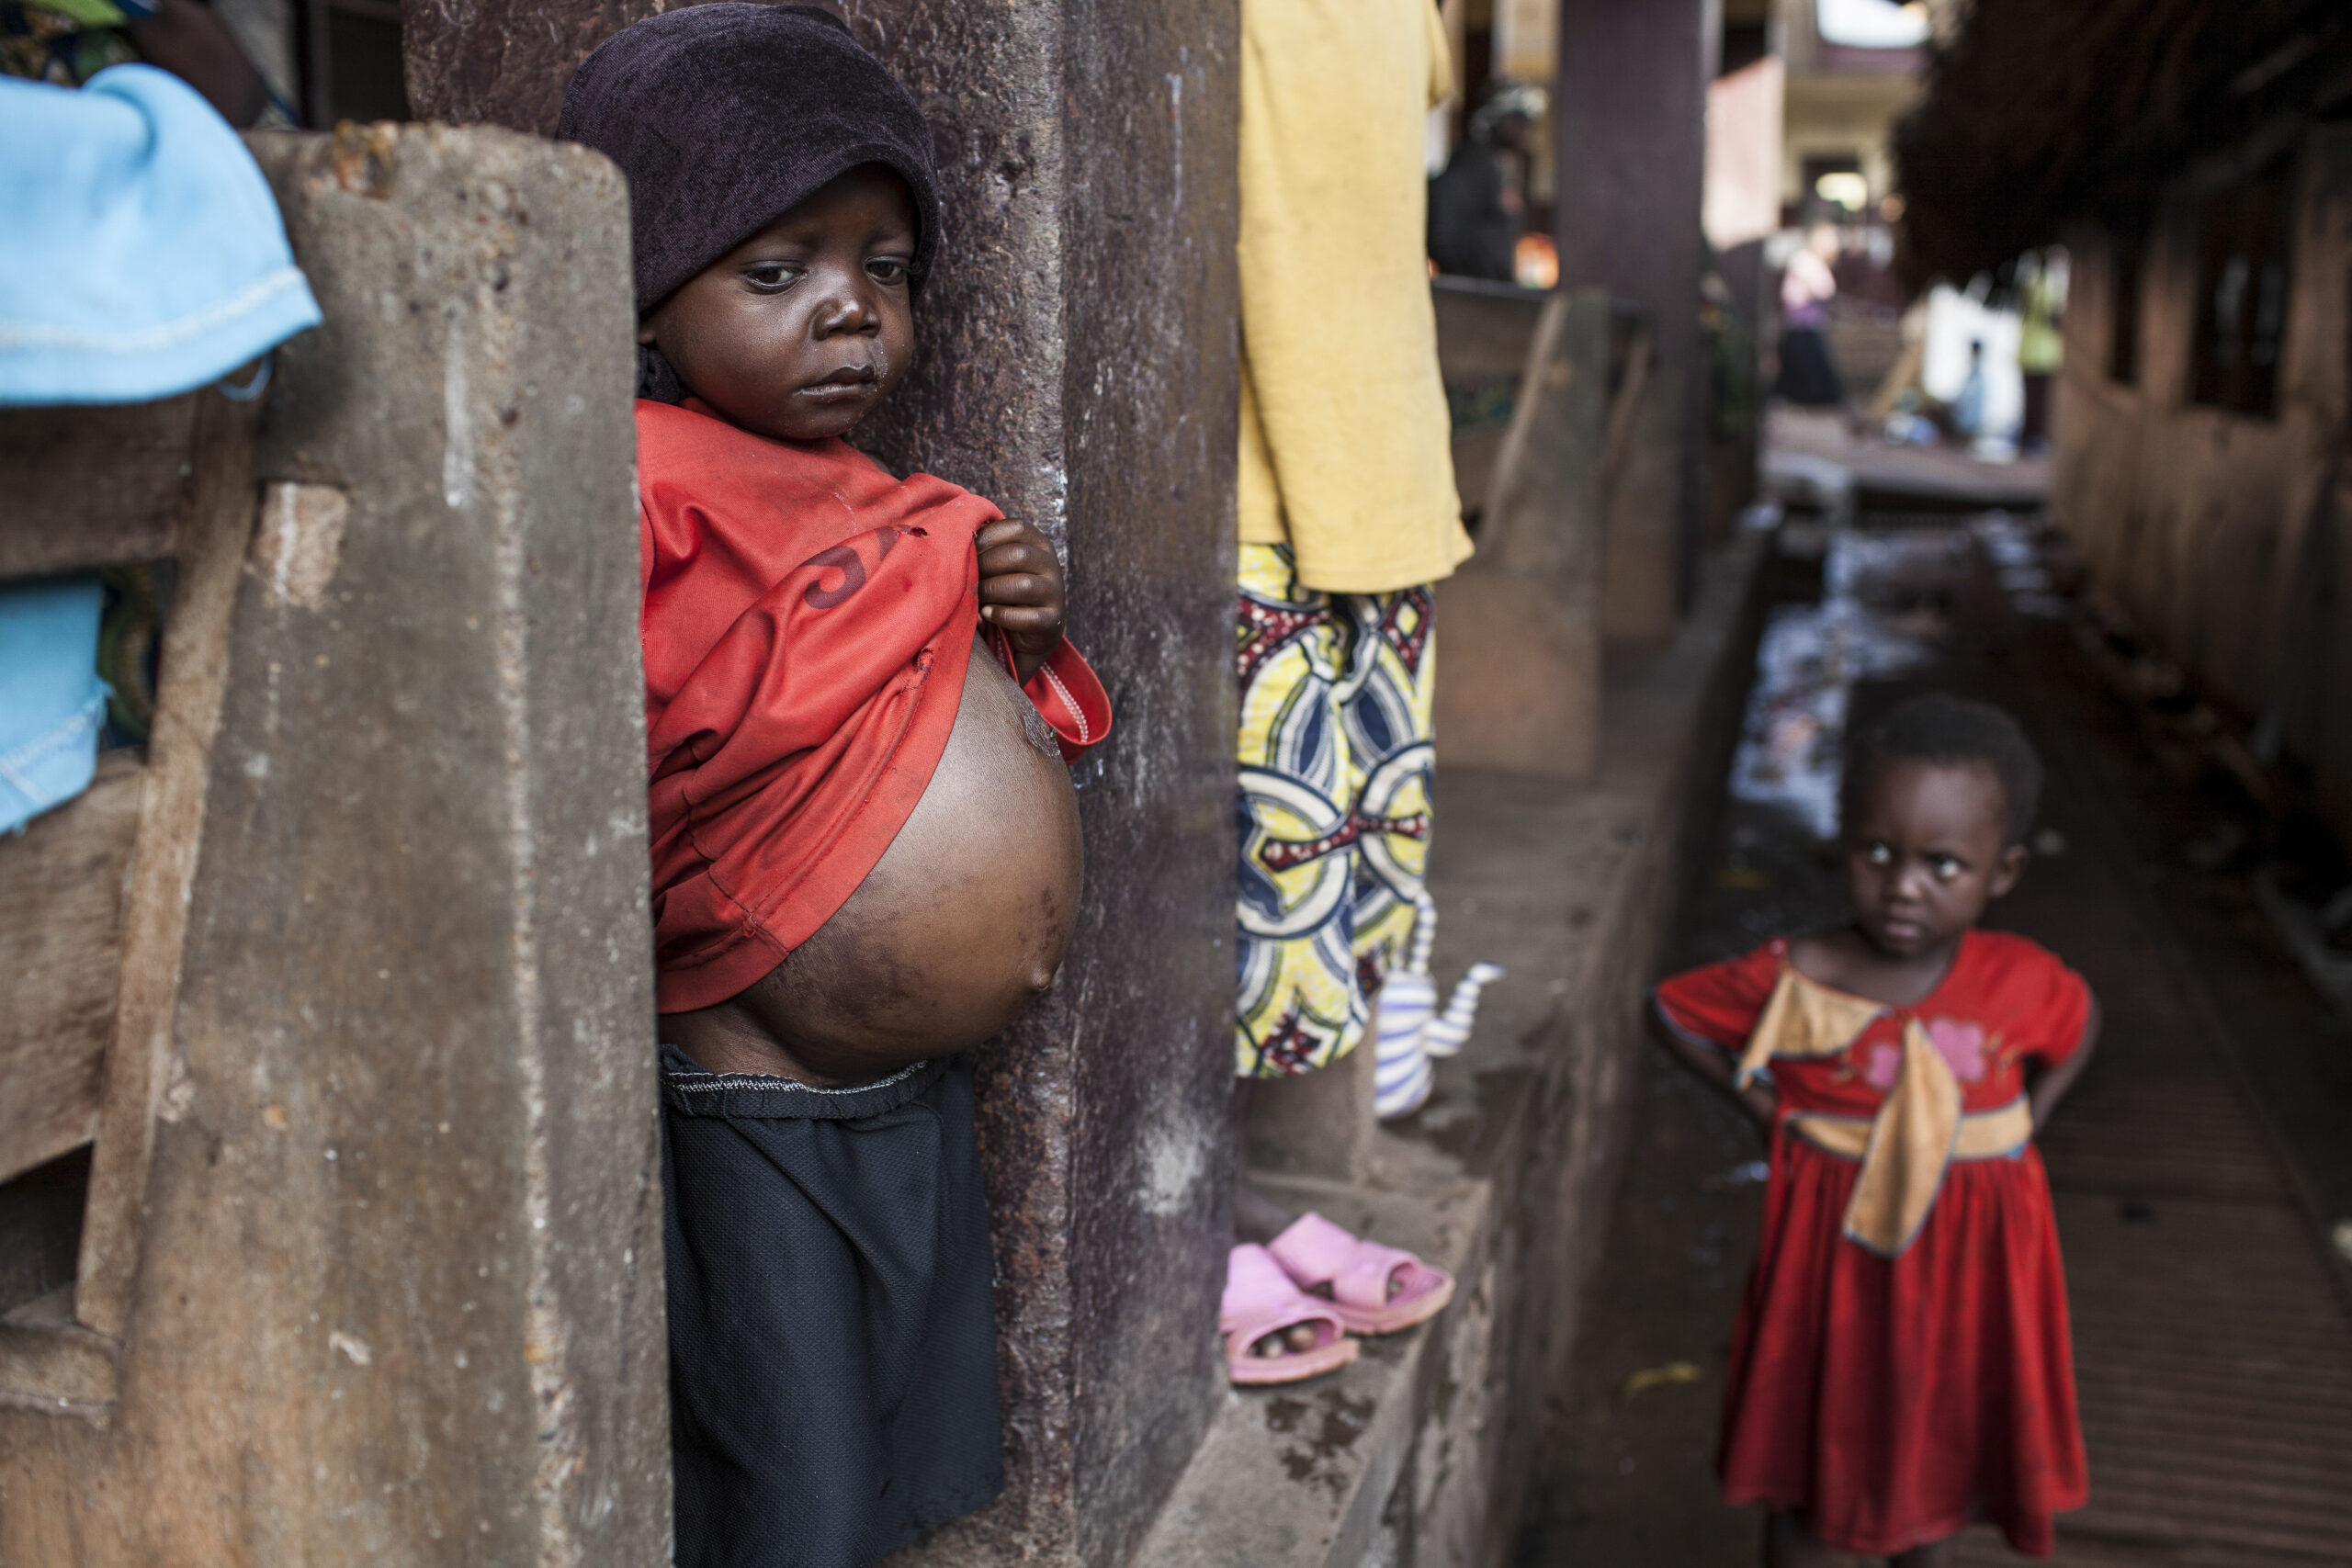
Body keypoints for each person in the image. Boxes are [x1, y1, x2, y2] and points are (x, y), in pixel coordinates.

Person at [557, 9, 1112, 1563]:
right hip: (758, 1068)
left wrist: (1016, 623)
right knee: (787, 1440)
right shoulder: (646, 478)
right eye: (780, 271)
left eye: (885, 269)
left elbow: (985, 713)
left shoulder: (879, 496)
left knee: (890, 1415)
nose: (853, 314)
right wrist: (903, 579)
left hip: (905, 1080)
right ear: (656, 296)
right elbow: (641, 714)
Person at [1650, 694, 2097, 1565]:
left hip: (1970, 1275)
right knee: (1817, 1453)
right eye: (1879, 852)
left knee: (1938, 1444)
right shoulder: (1803, 977)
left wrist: (2023, 1128)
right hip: (1836, 1270)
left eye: (1943, 864)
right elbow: (1670, 1013)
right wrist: (1766, 1113)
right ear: (1842, 838)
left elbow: (2081, 1029)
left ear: (2001, 873)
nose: (1903, 886)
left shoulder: (2023, 981)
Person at [1220, 0, 1473, 1384]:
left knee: (1326, 872)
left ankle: (1233, 1196)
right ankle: (1199, 1212)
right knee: (1232, 893)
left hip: (1373, 474)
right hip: (1256, 487)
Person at [1426, 78, 1547, 282]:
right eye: (1519, 121)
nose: (1525, 131)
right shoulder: (1474, 163)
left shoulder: (1494, 164)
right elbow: (1445, 234)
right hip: (1475, 290)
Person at [1774, 221, 1845, 407]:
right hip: (1801, 325)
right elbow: (1823, 289)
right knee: (1810, 375)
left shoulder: (1810, 262)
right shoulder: (1805, 261)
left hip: (1807, 325)